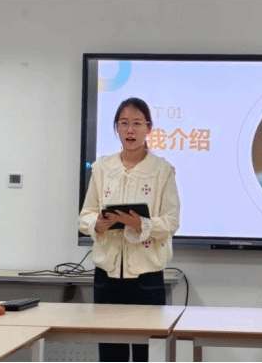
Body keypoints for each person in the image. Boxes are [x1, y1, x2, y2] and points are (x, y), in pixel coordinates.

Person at [78, 97, 181, 363]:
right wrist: (97, 223)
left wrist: (140, 224)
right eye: (123, 123)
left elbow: (171, 221)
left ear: (149, 128)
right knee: (110, 353)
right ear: (116, 128)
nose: (130, 130)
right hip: (106, 276)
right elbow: (85, 215)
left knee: (148, 353)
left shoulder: (162, 171)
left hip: (146, 277)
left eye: (137, 123)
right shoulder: (102, 168)